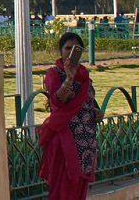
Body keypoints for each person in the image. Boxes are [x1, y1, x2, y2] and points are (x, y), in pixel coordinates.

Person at [38, 30, 100, 200]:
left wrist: (96, 113)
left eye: (76, 49)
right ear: (60, 50)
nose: (71, 52)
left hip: (86, 140)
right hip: (64, 137)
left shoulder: (85, 76)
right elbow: (58, 100)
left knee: (80, 185)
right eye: (67, 48)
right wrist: (69, 79)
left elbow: (89, 103)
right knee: (64, 184)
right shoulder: (54, 74)